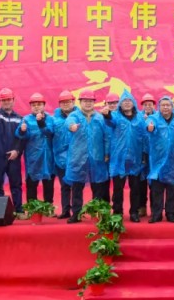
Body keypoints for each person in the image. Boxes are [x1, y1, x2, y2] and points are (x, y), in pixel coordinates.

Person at [64, 90, 110, 223]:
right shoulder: (74, 116)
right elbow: (69, 122)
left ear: (94, 102)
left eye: (90, 101)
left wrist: (106, 153)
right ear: (80, 102)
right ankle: (76, 213)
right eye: (85, 101)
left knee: (98, 186)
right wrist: (71, 126)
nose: (88, 103)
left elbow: (106, 137)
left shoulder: (100, 118)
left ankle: (97, 213)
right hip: (78, 157)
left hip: (97, 157)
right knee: (77, 186)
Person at [103, 90, 147, 223]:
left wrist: (144, 154)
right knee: (118, 189)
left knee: (135, 188)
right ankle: (117, 212)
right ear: (120, 104)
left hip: (135, 159)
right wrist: (107, 115)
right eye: (124, 101)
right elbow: (110, 121)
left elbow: (144, 137)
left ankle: (134, 212)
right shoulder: (116, 116)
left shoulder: (140, 118)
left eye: (129, 101)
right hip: (118, 159)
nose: (127, 103)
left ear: (133, 103)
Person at [145, 97, 174, 223]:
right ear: (159, 107)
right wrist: (150, 128)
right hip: (157, 161)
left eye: (168, 105)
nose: (166, 107)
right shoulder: (153, 119)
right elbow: (148, 126)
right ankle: (156, 214)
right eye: (163, 105)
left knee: (172, 190)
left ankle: (170, 213)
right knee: (157, 190)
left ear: (172, 107)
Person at [0, 88, 25, 214]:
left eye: (9, 99)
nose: (7, 102)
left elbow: (22, 138)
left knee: (16, 185)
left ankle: (19, 211)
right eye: (4, 100)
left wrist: (17, 151)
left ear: (13, 100)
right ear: (0, 102)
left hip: (13, 157)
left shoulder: (20, 119)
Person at [16, 93, 55, 205]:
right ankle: (32, 208)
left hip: (48, 157)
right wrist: (22, 130)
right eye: (34, 105)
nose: (36, 107)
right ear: (30, 106)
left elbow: (50, 132)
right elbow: (20, 135)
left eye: (39, 104)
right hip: (33, 157)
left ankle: (49, 207)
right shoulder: (26, 119)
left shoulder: (50, 119)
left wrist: (41, 122)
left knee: (48, 184)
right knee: (31, 184)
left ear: (44, 105)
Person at [53, 90, 77, 219]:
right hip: (60, 158)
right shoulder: (54, 119)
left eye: (68, 101)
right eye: (63, 102)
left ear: (73, 102)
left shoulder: (80, 117)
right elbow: (48, 132)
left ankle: (77, 211)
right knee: (64, 186)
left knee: (77, 186)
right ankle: (65, 210)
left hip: (77, 156)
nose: (66, 104)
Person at [138, 93, 156, 217]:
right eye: (145, 104)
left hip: (155, 155)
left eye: (150, 104)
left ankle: (155, 208)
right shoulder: (138, 117)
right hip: (141, 154)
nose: (148, 106)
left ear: (154, 105)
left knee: (154, 183)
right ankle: (141, 206)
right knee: (141, 183)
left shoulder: (158, 117)